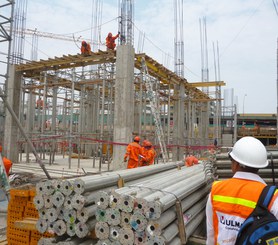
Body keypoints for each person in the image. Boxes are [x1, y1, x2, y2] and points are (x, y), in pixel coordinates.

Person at [206, 136, 278, 245]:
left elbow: (210, 235)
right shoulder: (271, 197)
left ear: (235, 164)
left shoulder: (216, 190)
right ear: (259, 166)